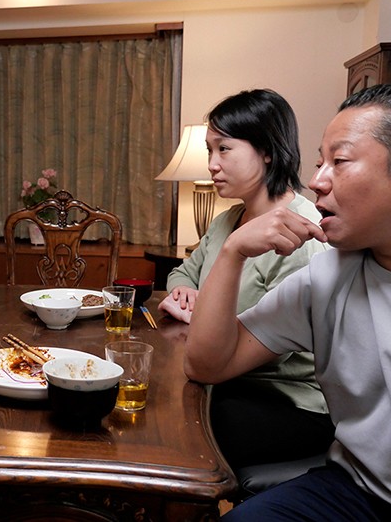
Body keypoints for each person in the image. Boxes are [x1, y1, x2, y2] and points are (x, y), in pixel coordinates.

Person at [185, 83, 391, 520]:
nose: (317, 181)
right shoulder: (328, 274)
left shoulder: (308, 246)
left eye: (340, 161)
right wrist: (233, 252)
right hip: (357, 485)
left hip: (296, 411)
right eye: (319, 163)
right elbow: (206, 365)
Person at [158, 89, 332, 470]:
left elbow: (266, 343)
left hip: (285, 400)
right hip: (224, 380)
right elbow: (184, 272)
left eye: (224, 149)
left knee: (174, 429)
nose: (212, 164)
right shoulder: (227, 221)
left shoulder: (300, 234)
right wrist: (183, 290)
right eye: (209, 151)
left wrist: (205, 318)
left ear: (266, 150)